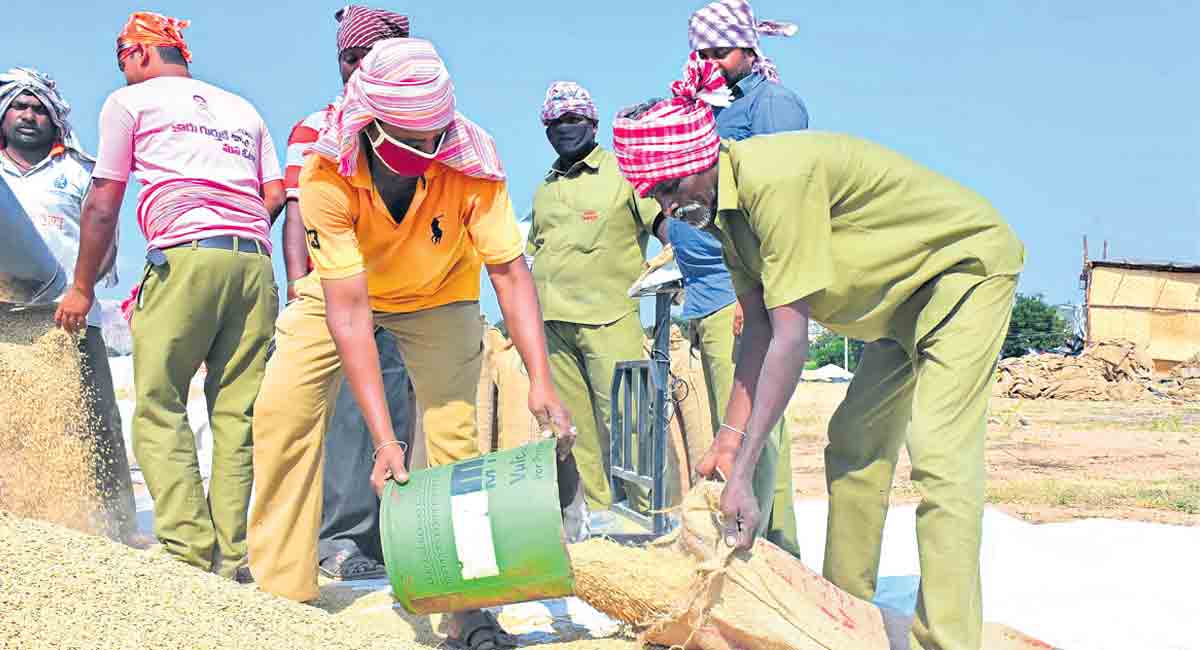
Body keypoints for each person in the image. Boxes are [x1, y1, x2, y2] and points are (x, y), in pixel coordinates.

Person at [612, 56, 1025, 650]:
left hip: (959, 276)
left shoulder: (776, 179)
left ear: (700, 159)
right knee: (854, 442)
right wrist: (730, 437)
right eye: (657, 196)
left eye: (673, 189)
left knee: (940, 455)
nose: (671, 208)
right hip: (895, 307)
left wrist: (748, 471)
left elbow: (789, 338)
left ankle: (949, 641)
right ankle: (845, 616)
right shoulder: (720, 214)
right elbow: (754, 326)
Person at [248, 39, 574, 649]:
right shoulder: (326, 171)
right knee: (282, 410)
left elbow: (508, 272)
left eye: (435, 137)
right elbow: (349, 313)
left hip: (438, 293)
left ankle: (465, 606)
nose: (428, 153)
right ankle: (281, 596)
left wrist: (542, 381)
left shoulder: (473, 161)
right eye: (411, 141)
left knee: (454, 429)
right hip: (339, 294)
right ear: (369, 127)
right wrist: (383, 438)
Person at [56, 12, 285, 584]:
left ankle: (187, 552)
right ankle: (233, 557)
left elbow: (103, 202)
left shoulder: (129, 103)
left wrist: (82, 287)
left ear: (136, 54)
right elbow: (275, 192)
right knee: (237, 413)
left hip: (186, 256)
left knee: (160, 401)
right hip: (254, 263)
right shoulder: (242, 108)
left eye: (121, 61)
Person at [652, 0, 809, 557]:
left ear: (750, 47)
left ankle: (771, 549)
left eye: (722, 53)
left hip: (741, 290)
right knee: (726, 427)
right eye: (703, 54)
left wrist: (759, 298)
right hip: (705, 291)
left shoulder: (773, 105)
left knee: (754, 427)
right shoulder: (702, 107)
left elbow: (783, 203)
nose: (713, 63)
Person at [280, 4, 414, 582]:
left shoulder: (419, 123)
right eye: (348, 58)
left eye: (369, 55)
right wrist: (296, 286)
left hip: (401, 296)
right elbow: (293, 217)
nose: (357, 66)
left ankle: (391, 538)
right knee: (347, 423)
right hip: (334, 294)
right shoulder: (314, 128)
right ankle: (338, 539)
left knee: (398, 413)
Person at [0, 67, 147, 547]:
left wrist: (80, 290)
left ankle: (115, 532)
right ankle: (16, 524)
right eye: (19, 107)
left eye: (39, 108)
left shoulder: (78, 171)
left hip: (69, 317)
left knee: (92, 423)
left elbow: (102, 240)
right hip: (6, 319)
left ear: (54, 119)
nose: (28, 116)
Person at [527, 81, 660, 529]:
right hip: (553, 323)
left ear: (593, 123)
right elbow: (531, 251)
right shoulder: (544, 188)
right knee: (573, 430)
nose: (565, 128)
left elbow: (663, 225)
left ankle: (650, 518)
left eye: (574, 120)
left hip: (611, 317)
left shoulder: (623, 172)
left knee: (631, 423)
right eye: (555, 122)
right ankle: (598, 520)